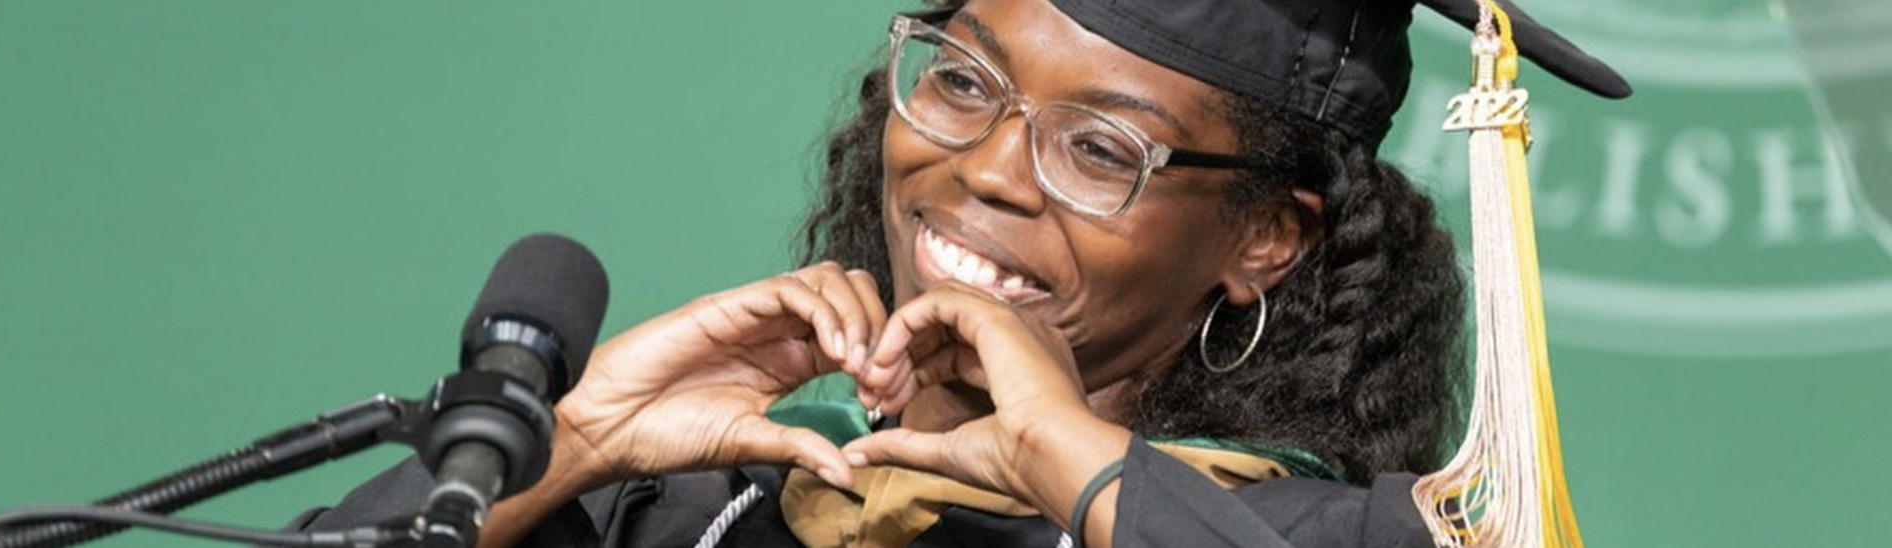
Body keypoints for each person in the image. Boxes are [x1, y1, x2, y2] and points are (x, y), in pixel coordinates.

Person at [288, 0, 1628, 546]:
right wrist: (560, 452)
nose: (985, 168)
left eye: (1101, 148)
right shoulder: (708, 505)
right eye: (963, 80)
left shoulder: (1343, 537)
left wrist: (1077, 461)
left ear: (1263, 239)